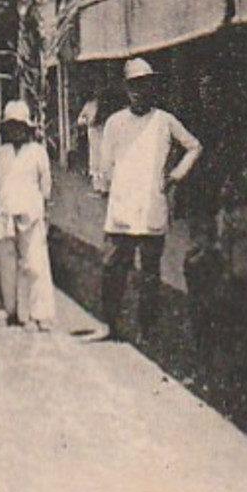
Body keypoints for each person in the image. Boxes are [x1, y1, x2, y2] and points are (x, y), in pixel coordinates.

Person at [98, 58, 203, 343]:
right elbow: (104, 164)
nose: (139, 92)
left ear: (152, 87)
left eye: (144, 85)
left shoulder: (164, 120)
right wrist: (107, 189)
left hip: (151, 208)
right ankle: (111, 324)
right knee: (112, 270)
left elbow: (194, 147)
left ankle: (147, 329)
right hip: (121, 210)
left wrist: (174, 176)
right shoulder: (115, 122)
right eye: (133, 86)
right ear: (126, 88)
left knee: (149, 275)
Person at [0, 100, 56, 332]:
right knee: (6, 265)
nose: (15, 130)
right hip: (6, 213)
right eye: (11, 126)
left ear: (27, 128)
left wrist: (43, 210)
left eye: (19, 126)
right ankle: (9, 312)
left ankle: (39, 315)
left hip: (31, 214)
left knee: (35, 265)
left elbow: (46, 186)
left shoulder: (38, 152)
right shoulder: (2, 153)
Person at [77, 94, 107, 192]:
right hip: (93, 132)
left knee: (105, 155)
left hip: (103, 131)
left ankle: (105, 187)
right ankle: (97, 186)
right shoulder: (89, 105)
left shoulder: (104, 104)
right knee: (95, 156)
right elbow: (80, 120)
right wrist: (88, 121)